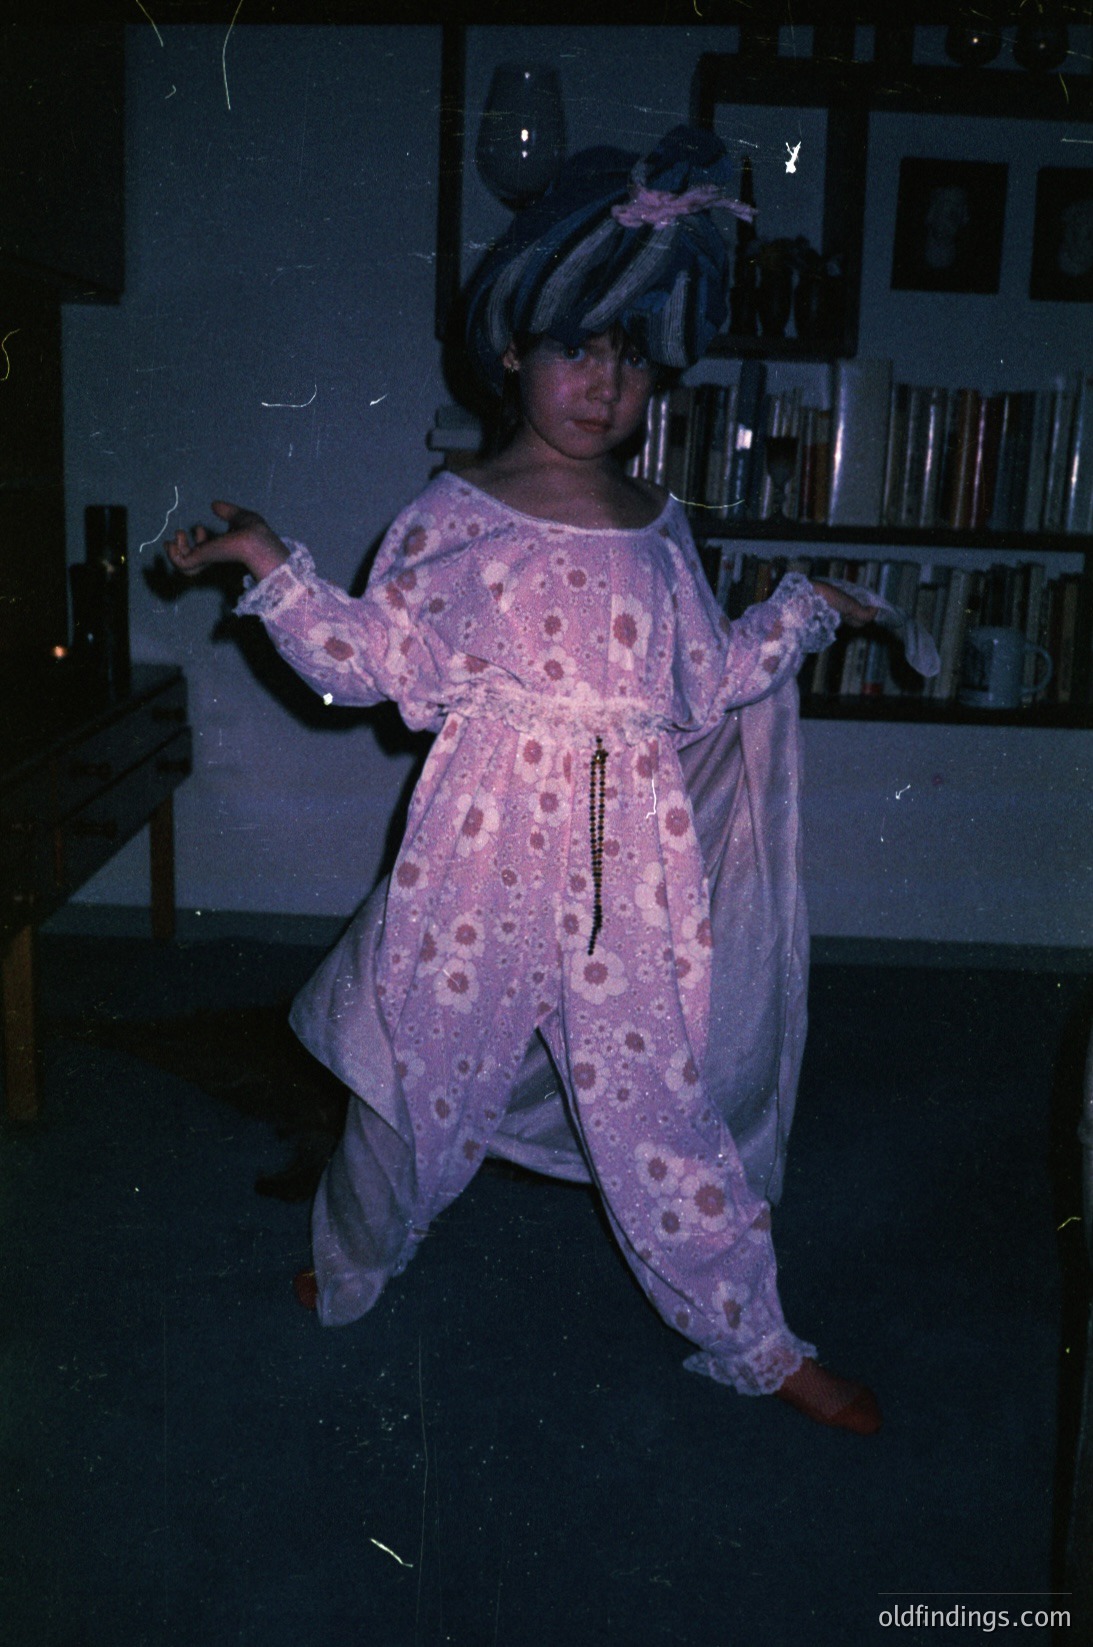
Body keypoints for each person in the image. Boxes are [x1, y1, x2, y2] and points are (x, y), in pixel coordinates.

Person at [167, 128, 882, 1433]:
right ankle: (354, 1261)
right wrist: (269, 568)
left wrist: (802, 613)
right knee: (410, 1098)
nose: (601, 382)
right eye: (576, 347)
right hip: (480, 872)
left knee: (660, 1112)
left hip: (631, 893)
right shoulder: (455, 519)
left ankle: (755, 1338)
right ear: (514, 349)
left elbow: (699, 682)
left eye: (628, 355)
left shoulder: (662, 532)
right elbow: (373, 665)